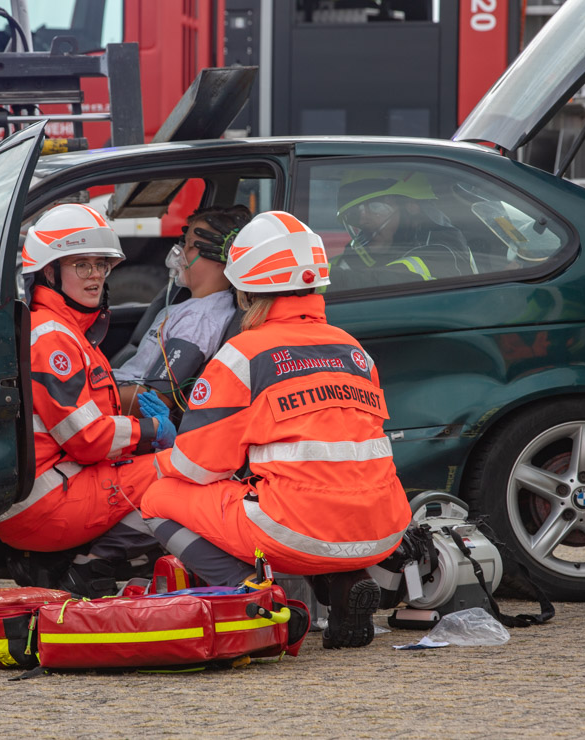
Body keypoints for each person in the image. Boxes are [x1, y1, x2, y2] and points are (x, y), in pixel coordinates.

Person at [140, 210, 412, 649]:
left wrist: (159, 459)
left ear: (245, 287)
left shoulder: (244, 354)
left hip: (297, 529)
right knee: (310, 490)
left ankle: (260, 598)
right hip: (382, 526)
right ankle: (346, 582)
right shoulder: (353, 350)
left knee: (158, 498)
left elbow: (197, 467)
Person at [0, 203, 176, 598]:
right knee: (180, 472)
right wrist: (152, 430)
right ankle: (90, 566)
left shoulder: (67, 330)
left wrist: (141, 435)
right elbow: (87, 438)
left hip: (46, 490)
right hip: (46, 504)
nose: (95, 276)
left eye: (101, 265)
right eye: (81, 265)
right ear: (49, 273)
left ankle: (65, 561)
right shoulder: (54, 338)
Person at [115, 205, 252, 412]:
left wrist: (91, 397)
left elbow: (157, 399)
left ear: (221, 256)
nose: (180, 253)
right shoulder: (189, 305)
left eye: (190, 246)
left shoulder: (199, 319)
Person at [330, 169, 476, 289]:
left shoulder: (444, 248)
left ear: (411, 207)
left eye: (376, 207)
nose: (362, 221)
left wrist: (327, 279)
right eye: (355, 214)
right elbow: (342, 265)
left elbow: (387, 282)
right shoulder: (377, 248)